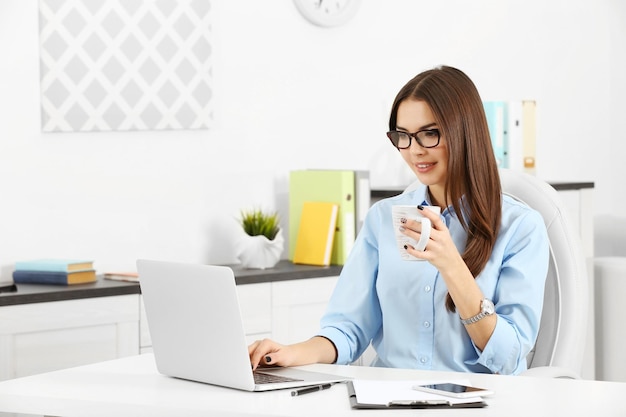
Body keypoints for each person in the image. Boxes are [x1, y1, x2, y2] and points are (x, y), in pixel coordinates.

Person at [249, 65, 550, 375]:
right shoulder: (382, 219)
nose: (414, 151)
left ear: (465, 132)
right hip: (387, 401)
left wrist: (452, 266)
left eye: (429, 134)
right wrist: (288, 353)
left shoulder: (520, 227)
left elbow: (509, 357)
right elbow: (348, 329)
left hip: (475, 403)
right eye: (402, 136)